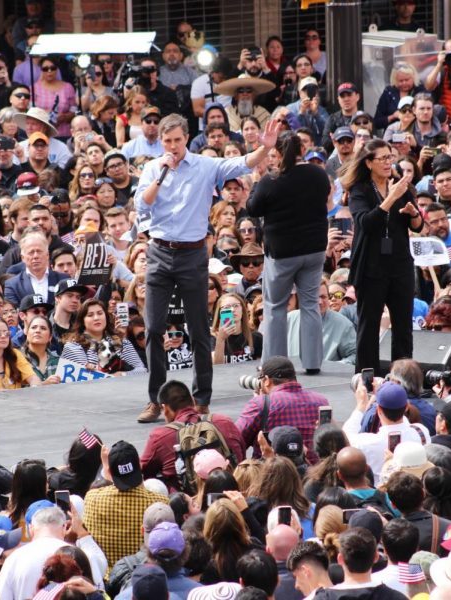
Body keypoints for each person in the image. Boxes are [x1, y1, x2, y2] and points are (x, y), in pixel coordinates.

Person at [135, 113, 279, 420]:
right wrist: (161, 174)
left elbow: (242, 163)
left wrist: (264, 148)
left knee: (199, 329)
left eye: (177, 140)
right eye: (167, 141)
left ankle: (201, 399)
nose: (172, 147)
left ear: (186, 138)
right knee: (153, 328)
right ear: (161, 141)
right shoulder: (151, 167)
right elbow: (142, 205)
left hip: (192, 253)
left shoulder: (204, 165)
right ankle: (156, 400)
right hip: (159, 251)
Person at [247, 132, 329, 373]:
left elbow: (253, 207)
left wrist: (254, 182)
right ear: (302, 151)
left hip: (283, 253)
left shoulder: (271, 180)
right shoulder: (318, 173)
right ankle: (313, 363)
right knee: (310, 304)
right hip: (314, 250)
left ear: (279, 154)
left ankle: (275, 365)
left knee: (275, 306)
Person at [343, 139, 422, 373]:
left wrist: (413, 212)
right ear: (368, 163)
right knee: (369, 324)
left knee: (402, 326)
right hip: (371, 265)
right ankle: (367, 377)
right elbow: (365, 223)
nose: (389, 163)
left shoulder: (401, 186)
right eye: (383, 158)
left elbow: (418, 226)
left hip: (400, 263)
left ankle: (402, 376)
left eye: (391, 157)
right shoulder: (360, 190)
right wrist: (391, 198)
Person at [140, 380, 244, 491]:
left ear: (165, 409)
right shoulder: (224, 422)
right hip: (234, 497)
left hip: (187, 504)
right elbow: (242, 456)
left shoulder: (160, 436)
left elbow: (142, 472)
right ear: (193, 401)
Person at [235, 357, 329, 464]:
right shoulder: (321, 401)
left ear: (266, 380)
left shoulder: (260, 403)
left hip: (271, 475)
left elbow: (236, 437)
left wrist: (260, 402)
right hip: (312, 474)